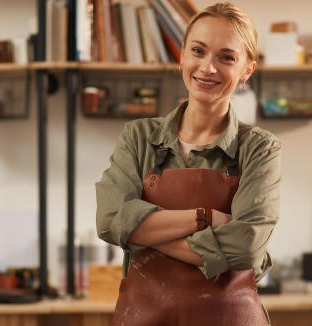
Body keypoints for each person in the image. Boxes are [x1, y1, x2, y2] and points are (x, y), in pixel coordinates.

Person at [96, 2, 281, 325]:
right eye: (198, 51)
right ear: (182, 54)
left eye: (227, 57)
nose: (208, 67)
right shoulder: (139, 138)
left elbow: (246, 248)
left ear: (246, 70)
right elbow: (111, 221)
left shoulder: (259, 149)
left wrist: (143, 233)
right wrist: (206, 218)